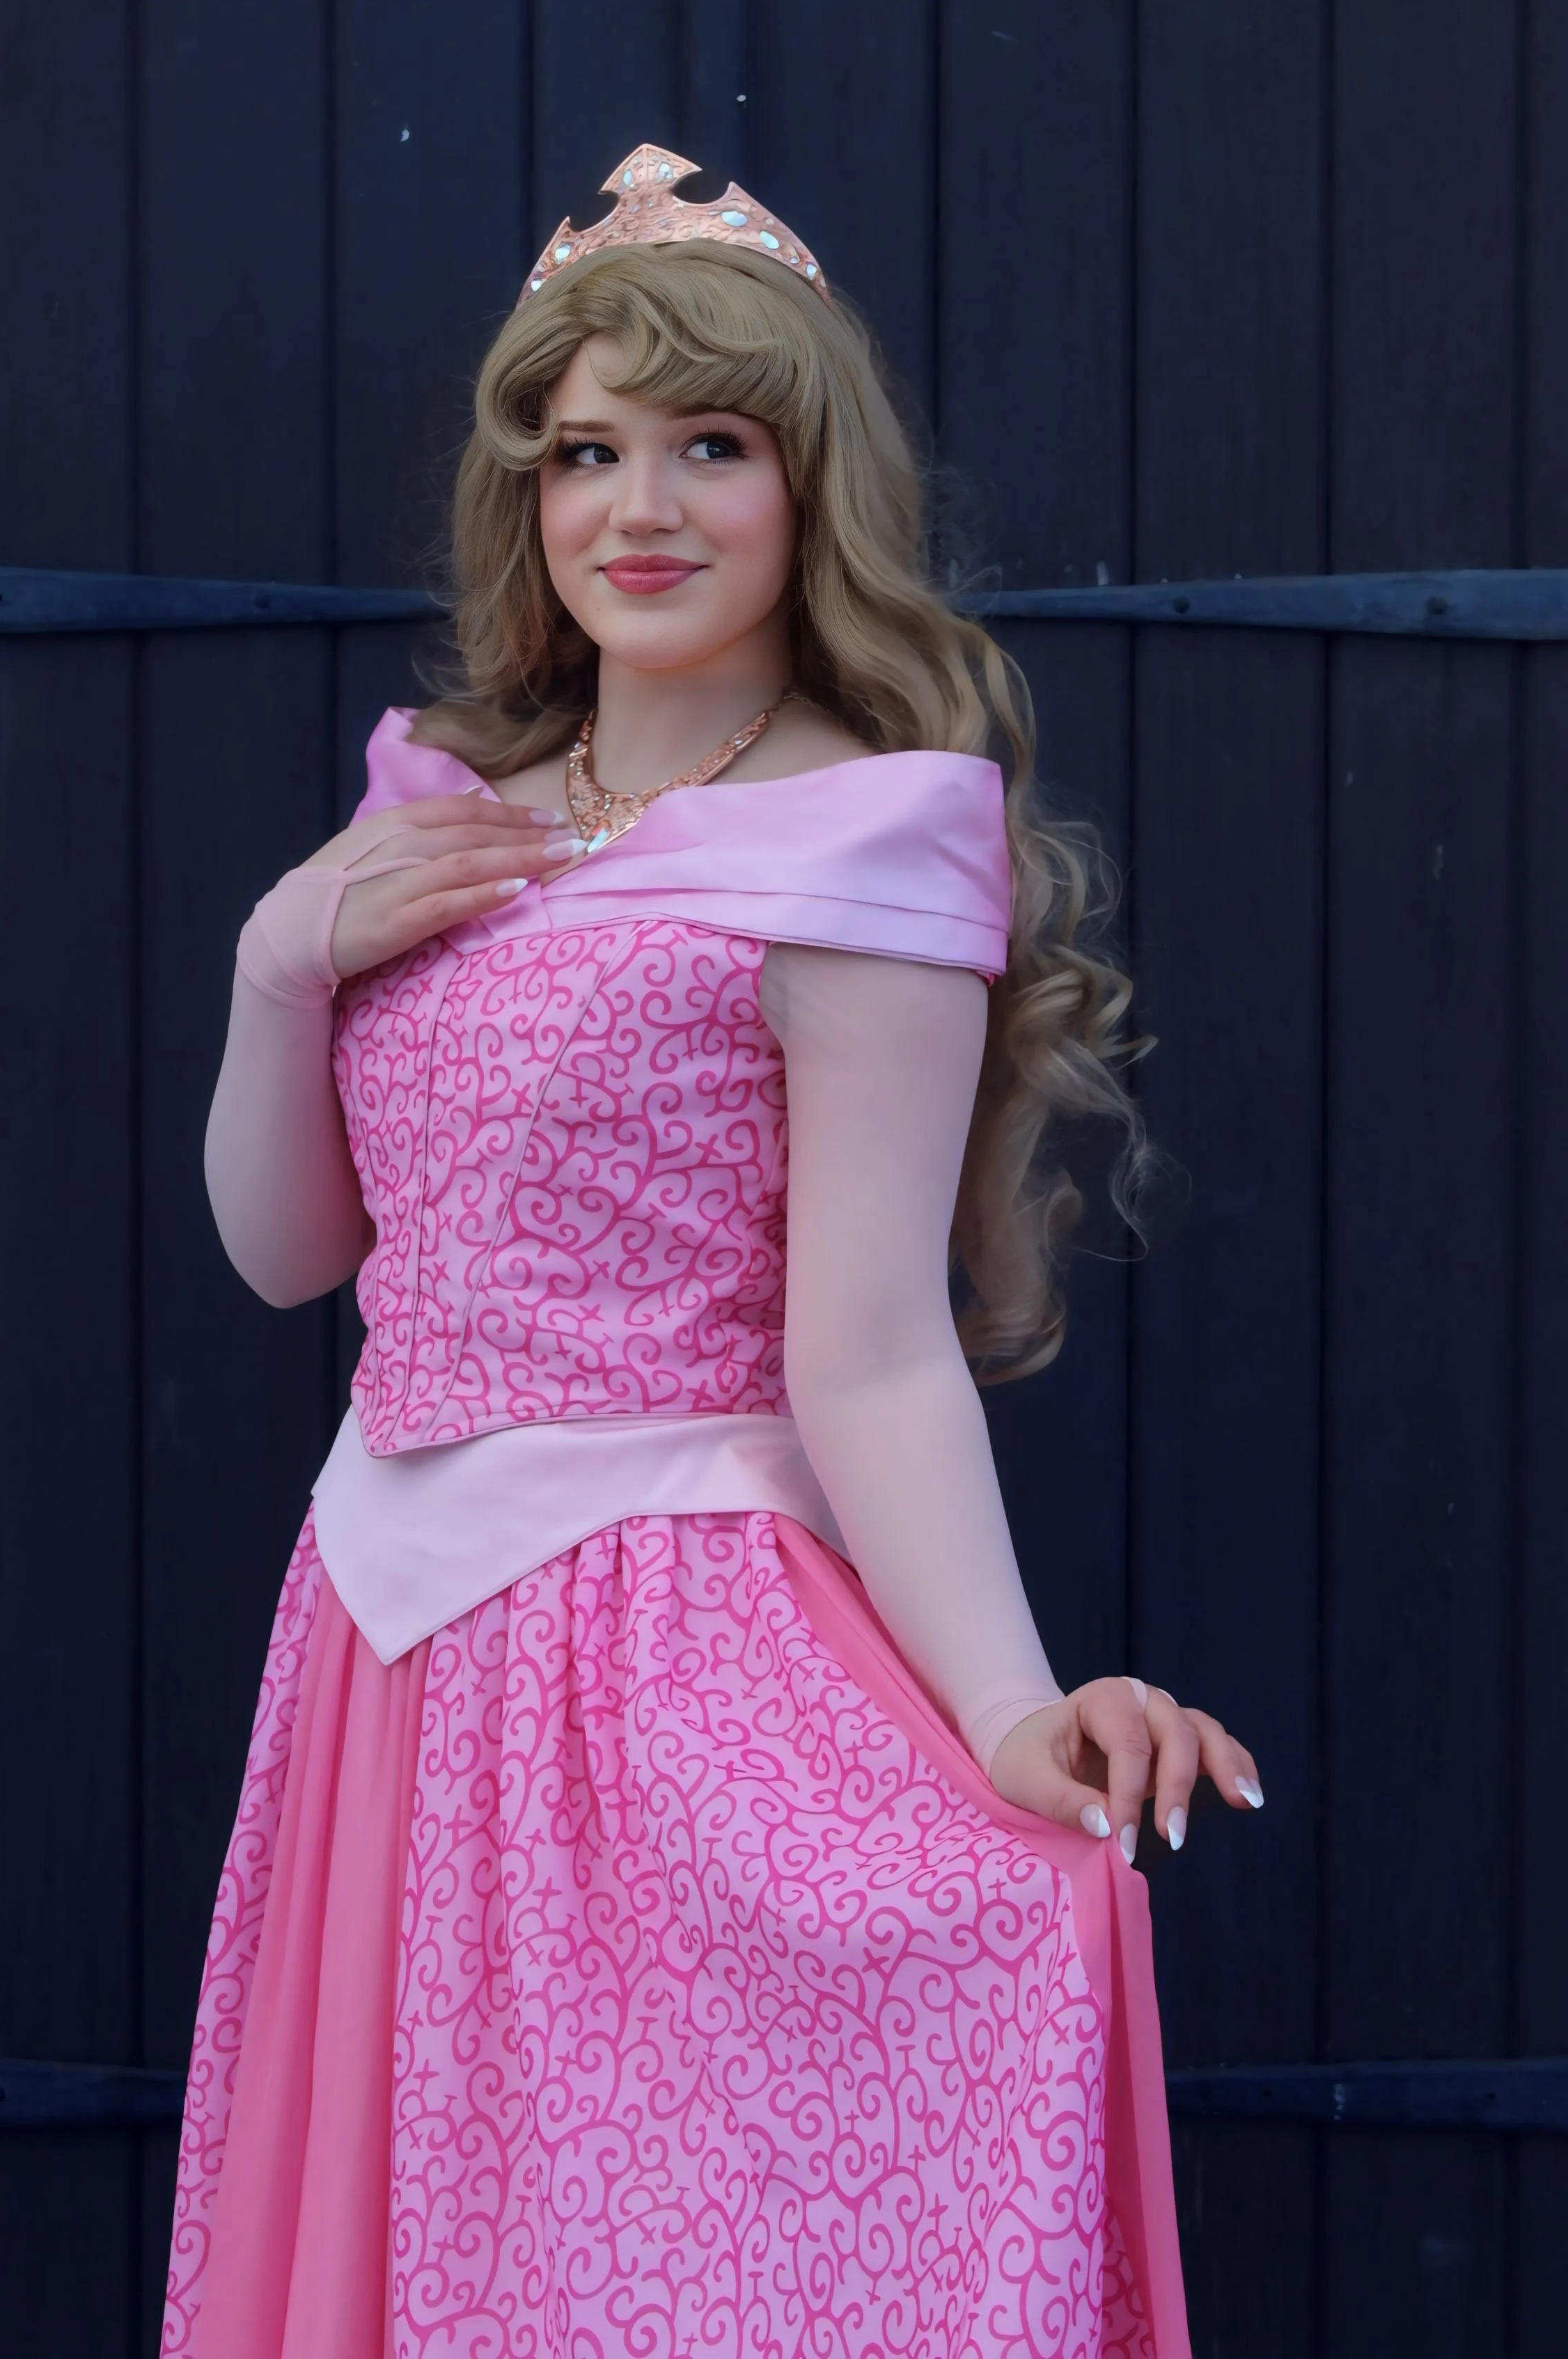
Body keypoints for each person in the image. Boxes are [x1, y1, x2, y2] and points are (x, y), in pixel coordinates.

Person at [165, 145, 1260, 2359]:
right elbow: (292, 1259)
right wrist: (285, 961)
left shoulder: (863, 845)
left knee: (648, 2280)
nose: (637, 508)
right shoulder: (441, 812)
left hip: (668, 1660)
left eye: (711, 448)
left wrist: (1006, 1709)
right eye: (585, 451)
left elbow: (864, 1353)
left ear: (804, 489)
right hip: (385, 1637)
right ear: (526, 494)